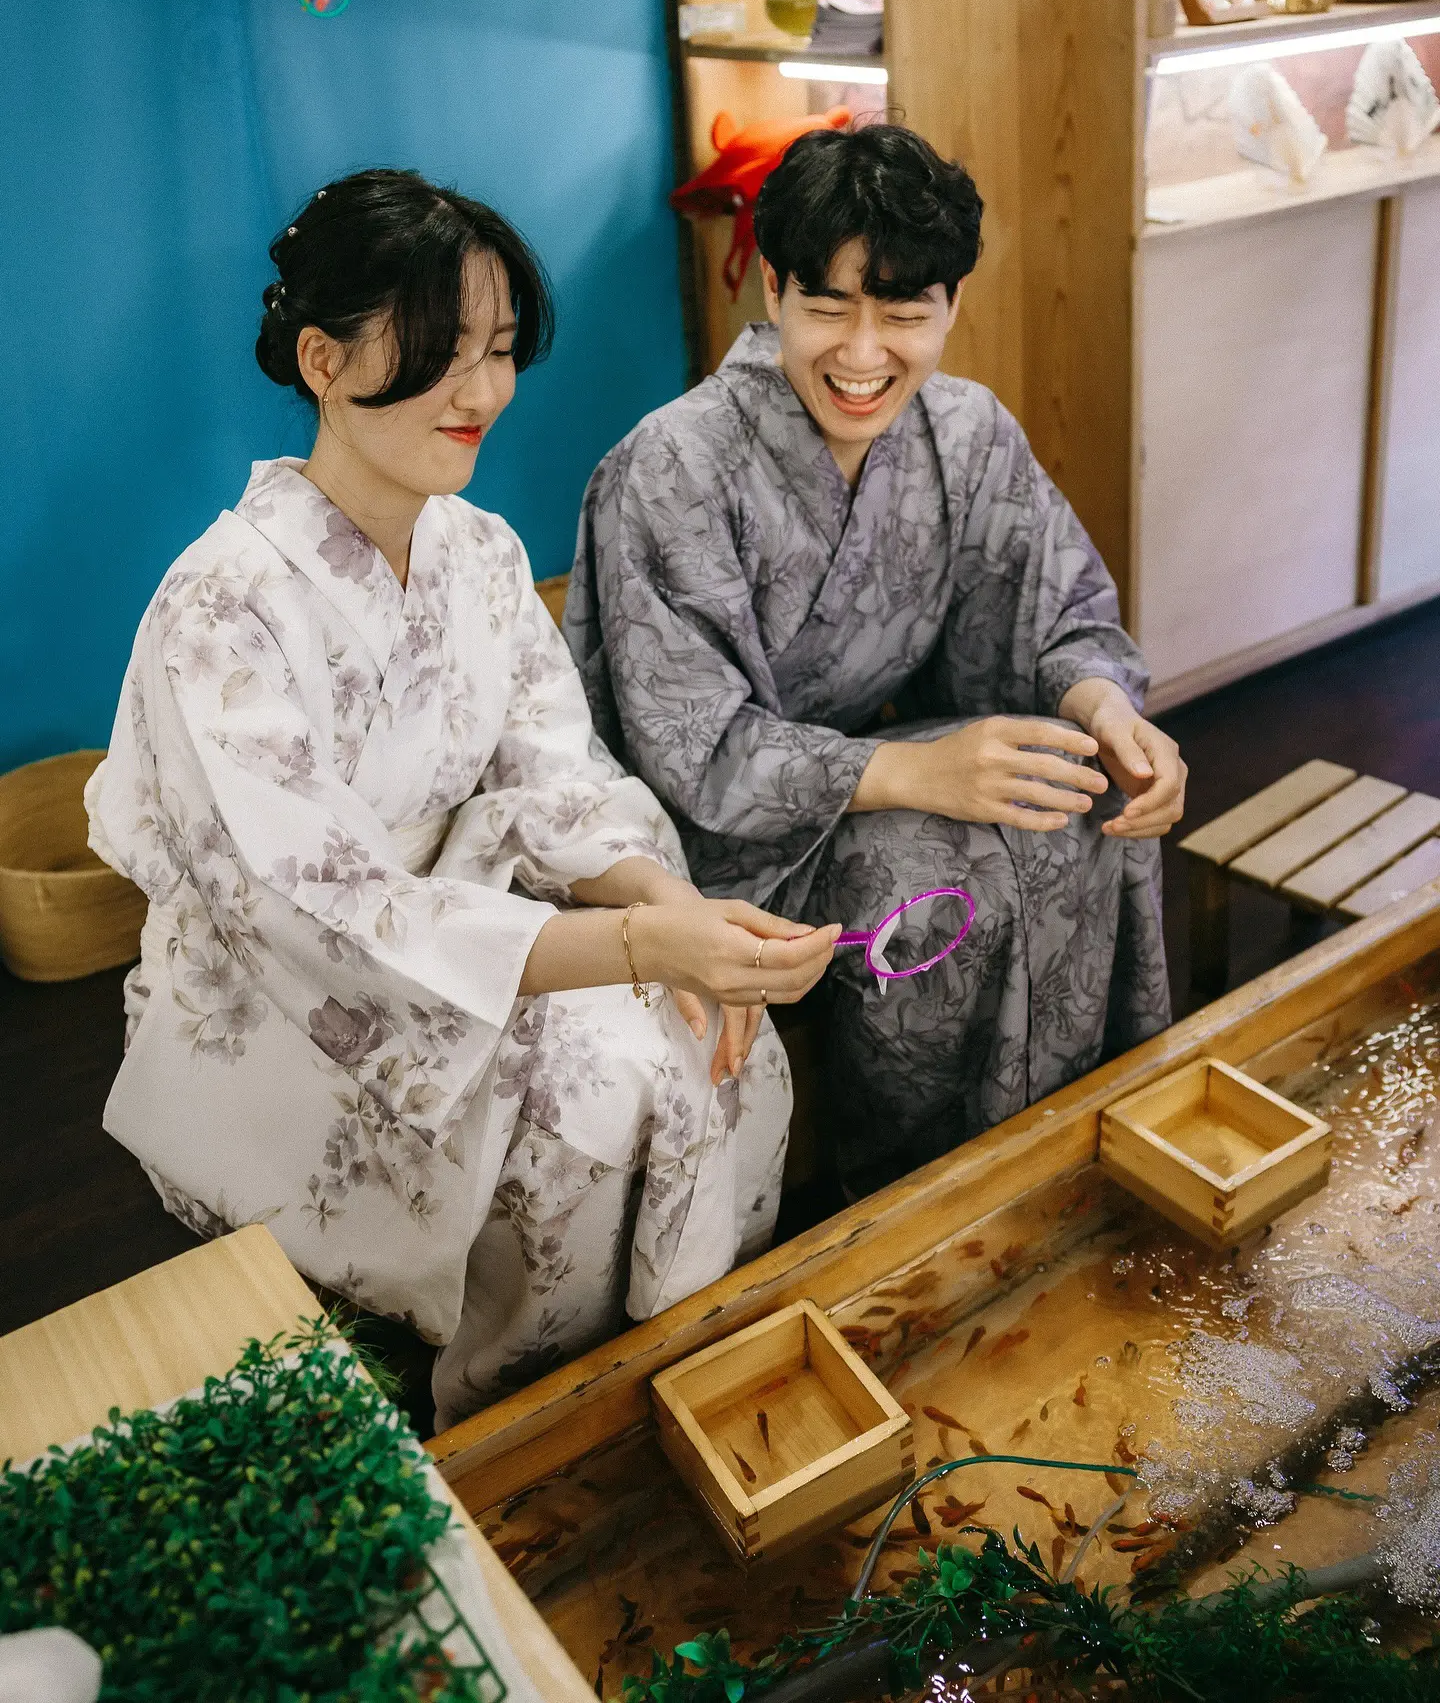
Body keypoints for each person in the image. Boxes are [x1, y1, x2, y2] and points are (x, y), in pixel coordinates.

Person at [86, 169, 837, 1428]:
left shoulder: (478, 552)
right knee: (589, 1102)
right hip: (293, 992)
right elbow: (308, 905)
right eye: (438, 354)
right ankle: (525, 1430)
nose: (482, 393)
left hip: (468, 920)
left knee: (709, 1050)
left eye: (496, 351)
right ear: (321, 360)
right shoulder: (219, 607)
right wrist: (640, 944)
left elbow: (555, 771)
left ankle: (679, 1373)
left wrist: (669, 903)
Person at [565, 124, 1186, 1200]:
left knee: (1081, 806)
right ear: (772, 286)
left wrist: (1105, 709)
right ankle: (915, 1199)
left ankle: (1082, 1153)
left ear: (949, 305)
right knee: (938, 882)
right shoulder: (668, 468)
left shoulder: (967, 433)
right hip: (714, 839)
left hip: (877, 764)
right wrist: (911, 775)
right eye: (829, 308)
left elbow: (1054, 613)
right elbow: (691, 747)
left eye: (904, 314)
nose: (863, 356)